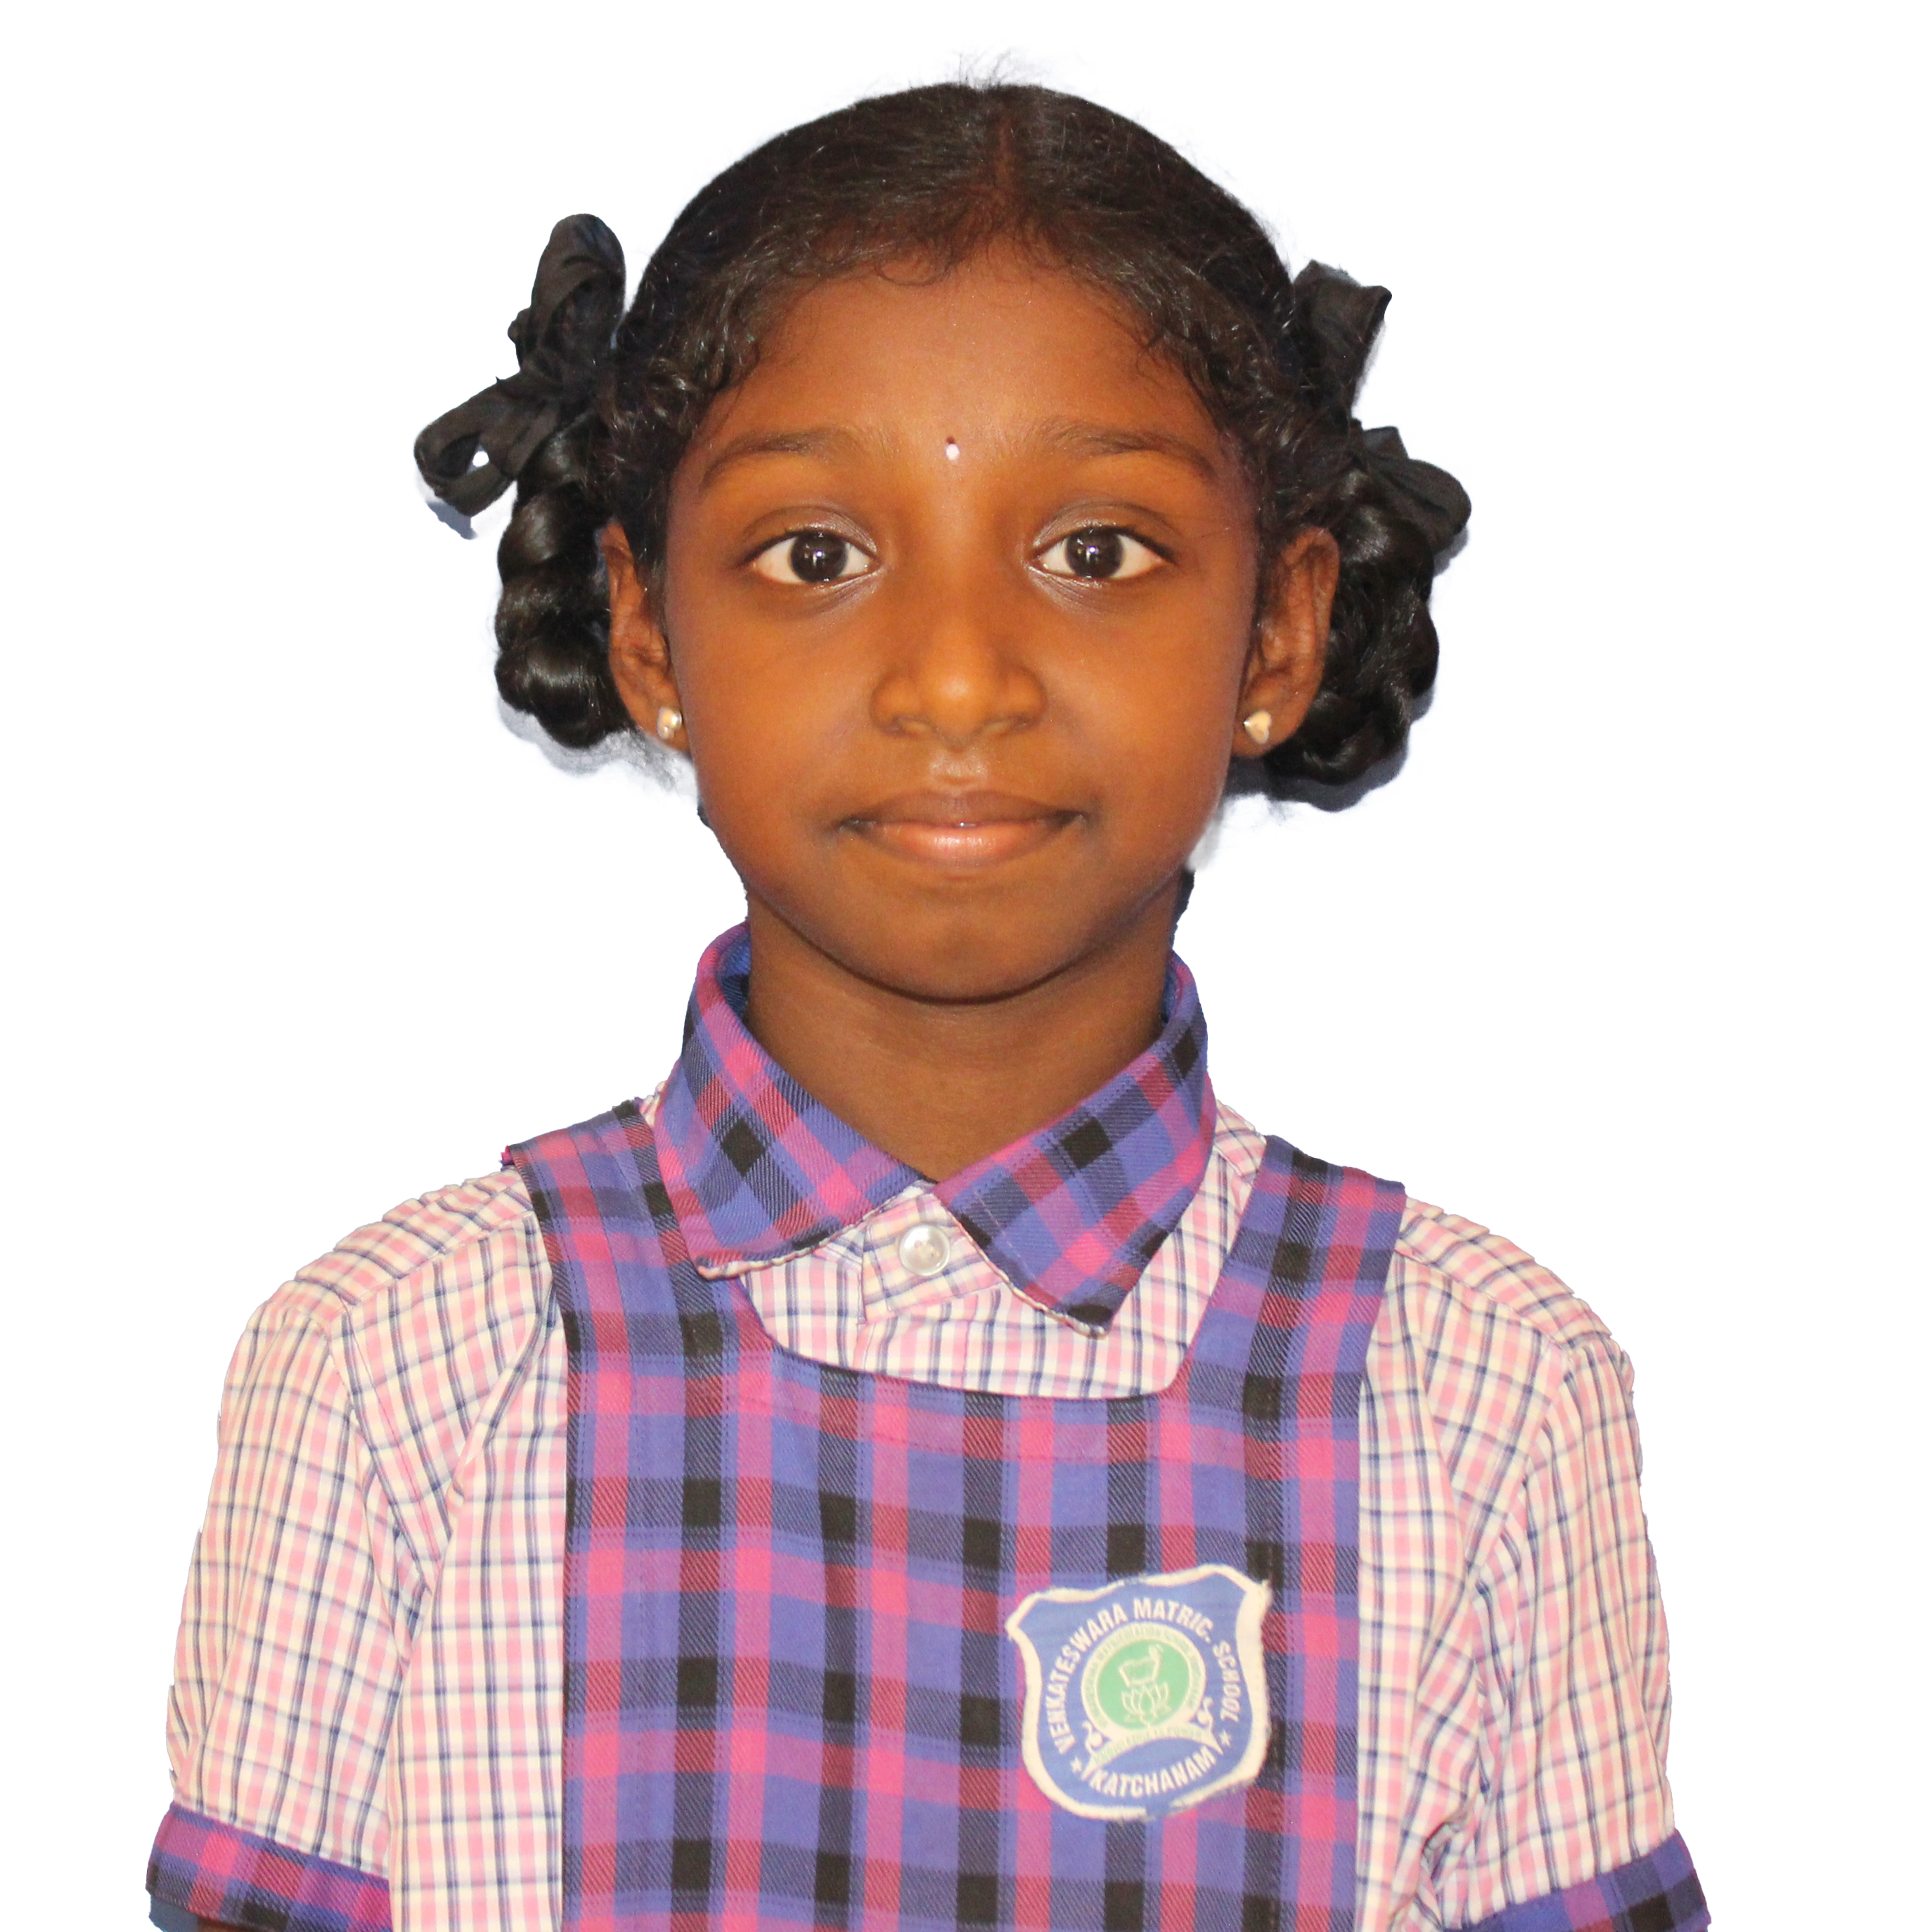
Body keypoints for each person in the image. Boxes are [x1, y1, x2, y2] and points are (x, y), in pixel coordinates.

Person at [146, 81, 1708, 1932]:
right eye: (817, 555)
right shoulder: (397, 1376)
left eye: (1094, 551)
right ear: (646, 632)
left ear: (1279, 631)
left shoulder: (1481, 1396)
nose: (958, 679)